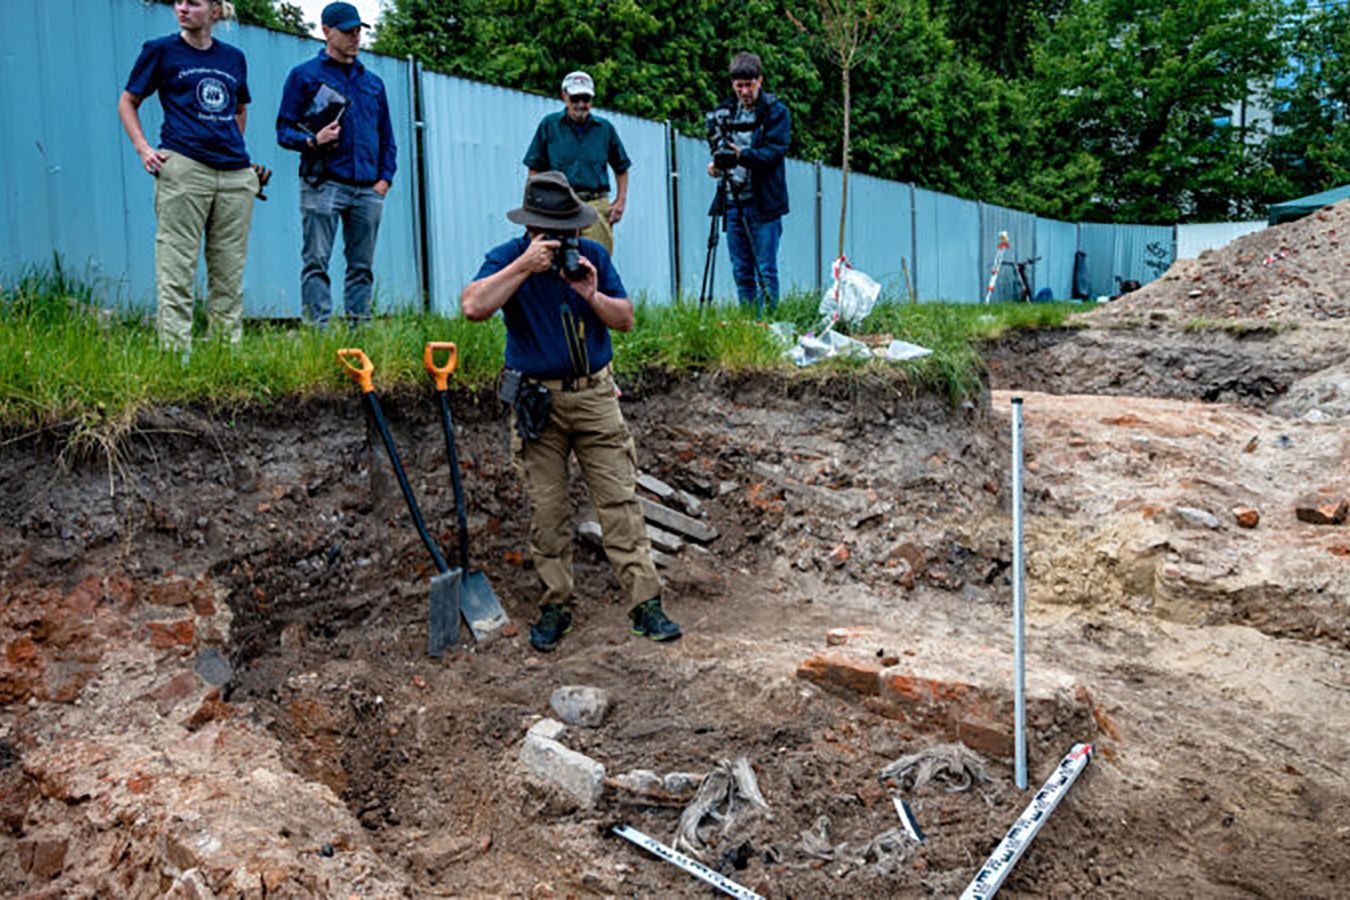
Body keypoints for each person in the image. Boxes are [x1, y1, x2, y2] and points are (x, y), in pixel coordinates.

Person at [460, 172, 680, 652]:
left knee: (620, 502)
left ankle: (646, 605)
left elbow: (625, 319)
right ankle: (555, 605)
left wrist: (591, 295)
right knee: (548, 510)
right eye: (553, 232)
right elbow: (473, 307)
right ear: (532, 229)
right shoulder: (508, 258)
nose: (564, 241)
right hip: (538, 401)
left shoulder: (591, 258)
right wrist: (524, 266)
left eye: (569, 231)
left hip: (596, 396)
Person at [118, 0, 260, 356]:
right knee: (177, 266)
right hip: (184, 167)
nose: (182, 8)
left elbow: (239, 109)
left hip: (234, 173)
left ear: (214, 11)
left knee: (229, 272)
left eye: (193, 3)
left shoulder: (233, 58)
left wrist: (231, 148)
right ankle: (175, 356)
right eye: (178, 2)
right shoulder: (161, 51)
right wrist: (143, 149)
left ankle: (226, 356)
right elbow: (127, 101)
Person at [276, 1, 396, 327]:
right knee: (316, 261)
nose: (355, 37)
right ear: (326, 31)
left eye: (358, 30)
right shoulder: (304, 76)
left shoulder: (373, 83)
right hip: (323, 182)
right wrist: (313, 140)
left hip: (367, 189)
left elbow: (387, 135)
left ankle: (360, 334)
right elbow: (283, 130)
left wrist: (384, 180)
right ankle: (318, 335)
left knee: (362, 266)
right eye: (347, 31)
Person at [707, 51, 791, 317]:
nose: (744, 90)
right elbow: (717, 145)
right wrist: (718, 163)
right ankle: (749, 324)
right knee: (741, 269)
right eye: (739, 85)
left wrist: (743, 155)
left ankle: (769, 323)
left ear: (760, 80)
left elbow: (774, 152)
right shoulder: (724, 111)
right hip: (733, 201)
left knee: (764, 268)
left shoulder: (776, 112)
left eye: (749, 84)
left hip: (764, 202)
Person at [523, 71, 631, 255]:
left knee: (598, 260)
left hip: (595, 205)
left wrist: (620, 201)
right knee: (554, 260)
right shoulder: (549, 126)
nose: (581, 104)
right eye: (575, 98)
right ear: (564, 96)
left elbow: (622, 167)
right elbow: (535, 169)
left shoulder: (605, 129)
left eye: (586, 98)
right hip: (558, 206)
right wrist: (535, 206)